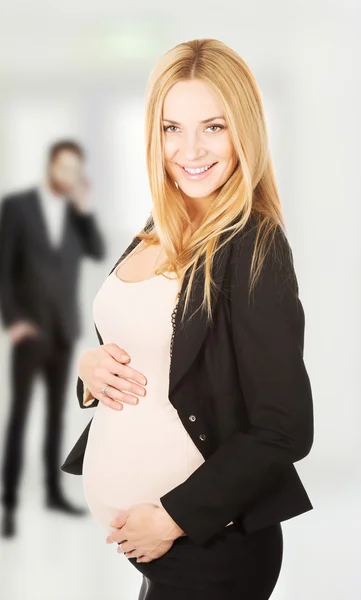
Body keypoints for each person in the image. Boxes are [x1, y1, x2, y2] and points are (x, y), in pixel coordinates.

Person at [61, 38, 314, 600]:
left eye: (213, 127)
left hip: (212, 548)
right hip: (163, 551)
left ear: (243, 130)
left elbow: (284, 427)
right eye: (172, 127)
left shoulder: (254, 246)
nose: (190, 149)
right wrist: (89, 371)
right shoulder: (161, 224)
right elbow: (146, 346)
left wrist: (174, 517)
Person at [0, 140, 106, 537]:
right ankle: (8, 503)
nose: (67, 177)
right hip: (29, 331)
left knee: (55, 417)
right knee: (19, 416)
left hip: (64, 329)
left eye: (74, 171)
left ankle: (52, 492)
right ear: (50, 166)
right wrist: (12, 321)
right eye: (63, 168)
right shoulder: (18, 207)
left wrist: (85, 209)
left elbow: (97, 252)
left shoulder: (77, 214)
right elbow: (3, 267)